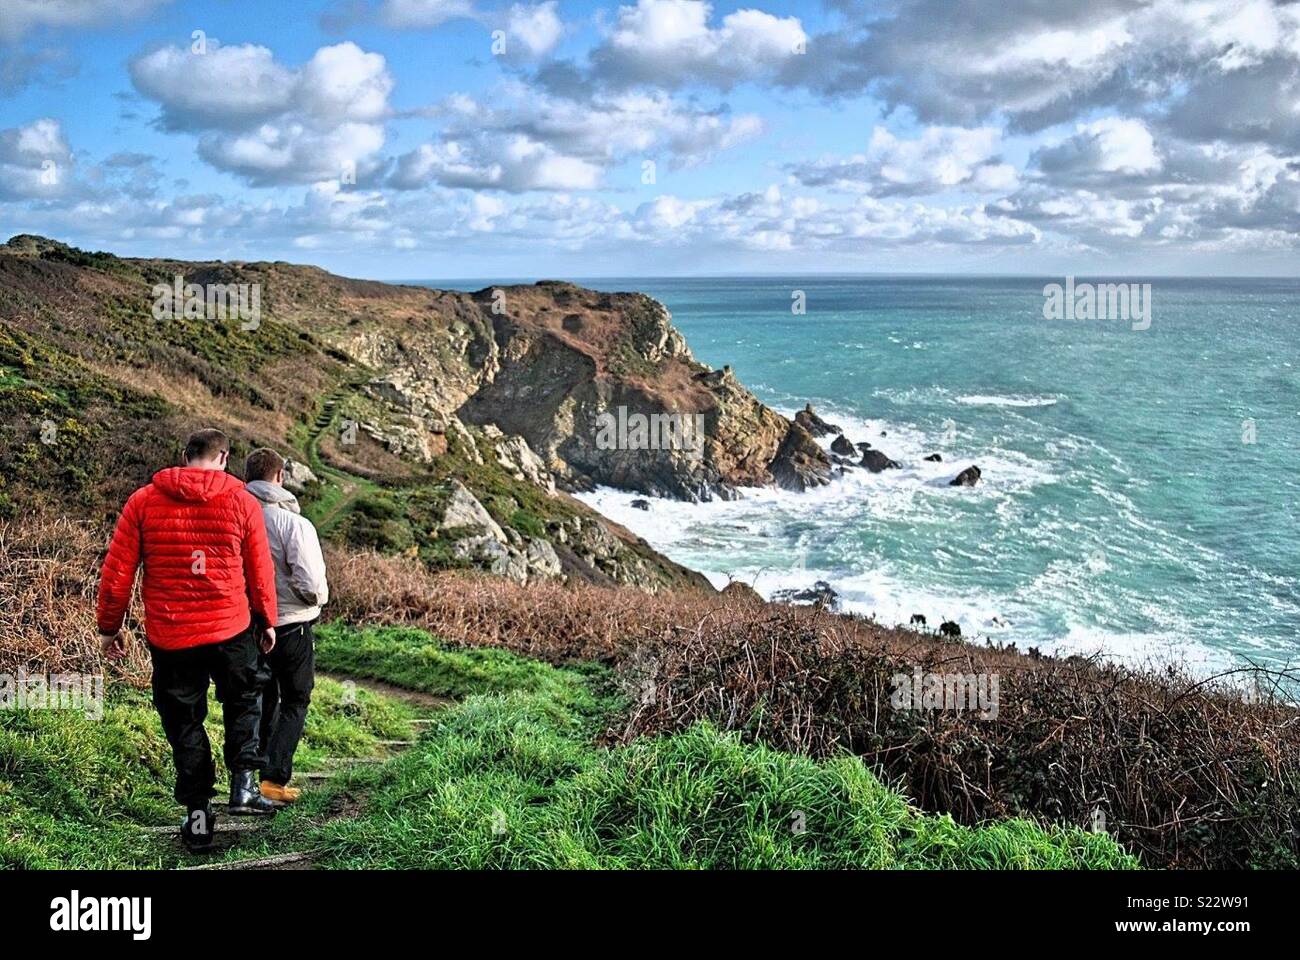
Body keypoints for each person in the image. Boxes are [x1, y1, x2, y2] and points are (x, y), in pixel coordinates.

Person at [97, 429, 280, 853]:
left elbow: (118, 572)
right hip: (230, 629)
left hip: (172, 635)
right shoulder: (242, 502)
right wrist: (266, 620)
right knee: (244, 700)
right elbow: (258, 569)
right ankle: (244, 786)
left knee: (183, 721)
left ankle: (198, 816)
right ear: (224, 459)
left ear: (184, 457)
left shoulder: (143, 502)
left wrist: (110, 626)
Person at [244, 448, 329, 804]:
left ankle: (246, 781)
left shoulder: (235, 519)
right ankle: (274, 779)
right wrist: (314, 601)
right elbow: (311, 584)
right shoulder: (294, 524)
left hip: (247, 626)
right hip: (292, 627)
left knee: (260, 697)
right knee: (295, 699)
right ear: (280, 477)